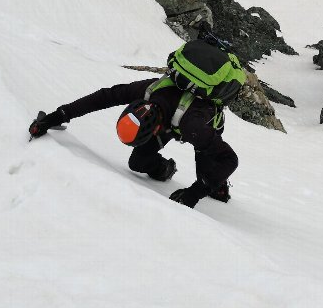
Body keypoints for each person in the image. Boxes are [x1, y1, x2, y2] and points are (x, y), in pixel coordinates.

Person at [28, 31, 244, 209]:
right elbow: (104, 97)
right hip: (175, 119)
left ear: (155, 128)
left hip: (203, 123)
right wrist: (56, 117)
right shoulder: (148, 91)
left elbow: (230, 160)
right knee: (137, 163)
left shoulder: (192, 126)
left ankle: (220, 187)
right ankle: (166, 169)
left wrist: (193, 194)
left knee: (208, 173)